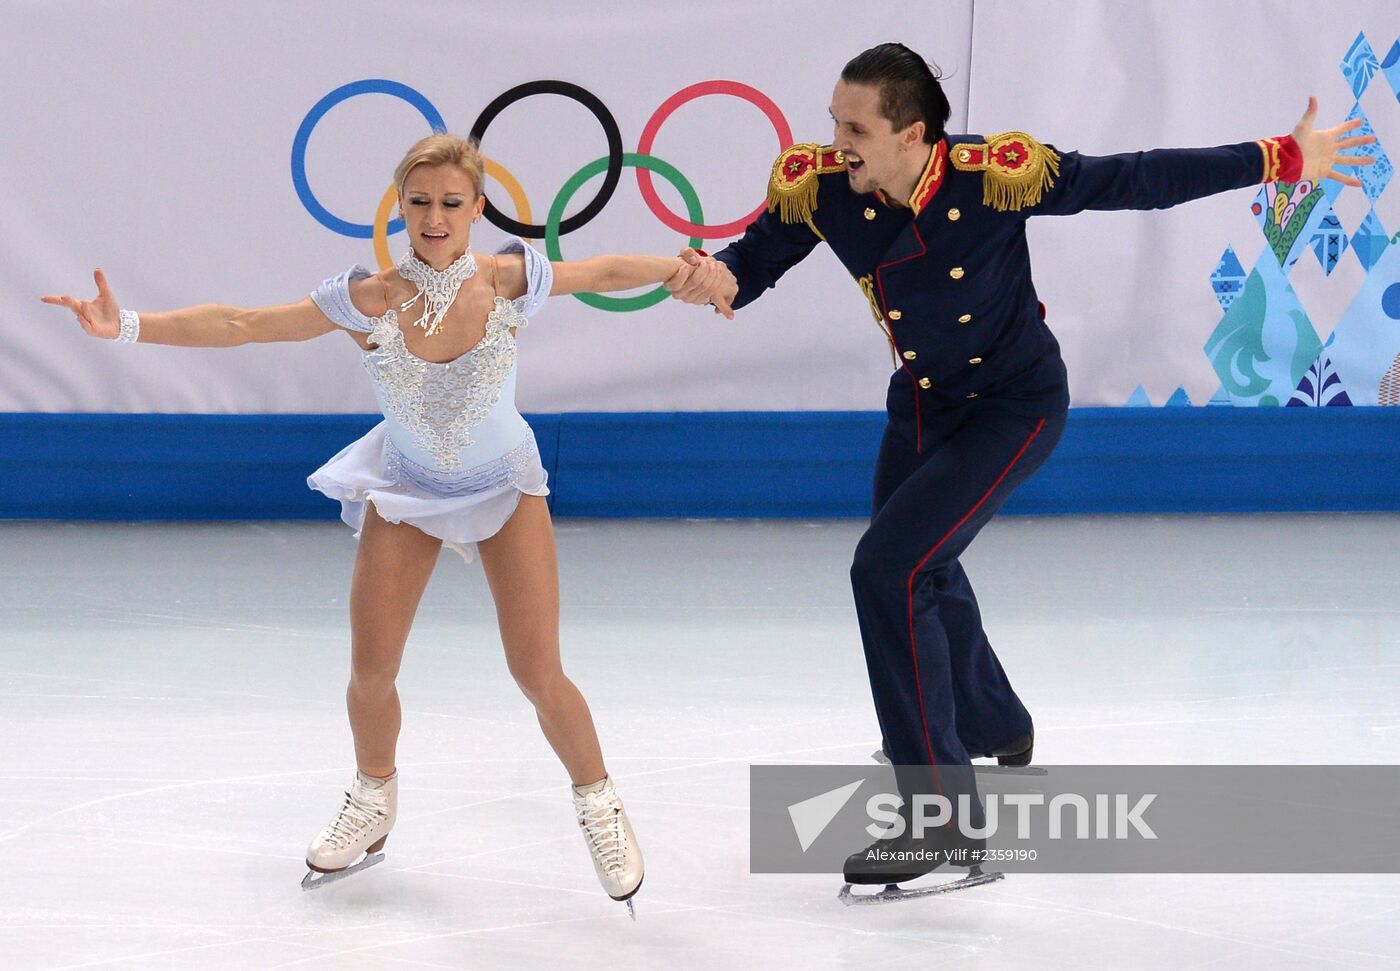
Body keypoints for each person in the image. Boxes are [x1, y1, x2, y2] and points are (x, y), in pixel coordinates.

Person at [665, 42, 1375, 896]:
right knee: (919, 564)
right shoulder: (819, 185)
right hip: (923, 407)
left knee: (888, 568)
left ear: (914, 134)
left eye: (854, 127)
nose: (836, 141)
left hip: (1015, 406)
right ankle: (997, 721)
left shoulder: (993, 175)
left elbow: (1136, 177)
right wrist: (718, 279)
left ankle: (944, 817)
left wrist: (1280, 156)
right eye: (833, 122)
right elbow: (757, 259)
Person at [40, 133, 707, 915]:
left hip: (503, 486)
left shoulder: (509, 280)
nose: (433, 216)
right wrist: (126, 327)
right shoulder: (367, 300)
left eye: (451, 203)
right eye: (419, 201)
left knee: (537, 671)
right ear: (401, 208)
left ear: (477, 209)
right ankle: (374, 796)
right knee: (370, 670)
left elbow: (606, 272)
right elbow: (242, 324)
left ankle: (600, 804)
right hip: (409, 485)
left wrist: (683, 269)